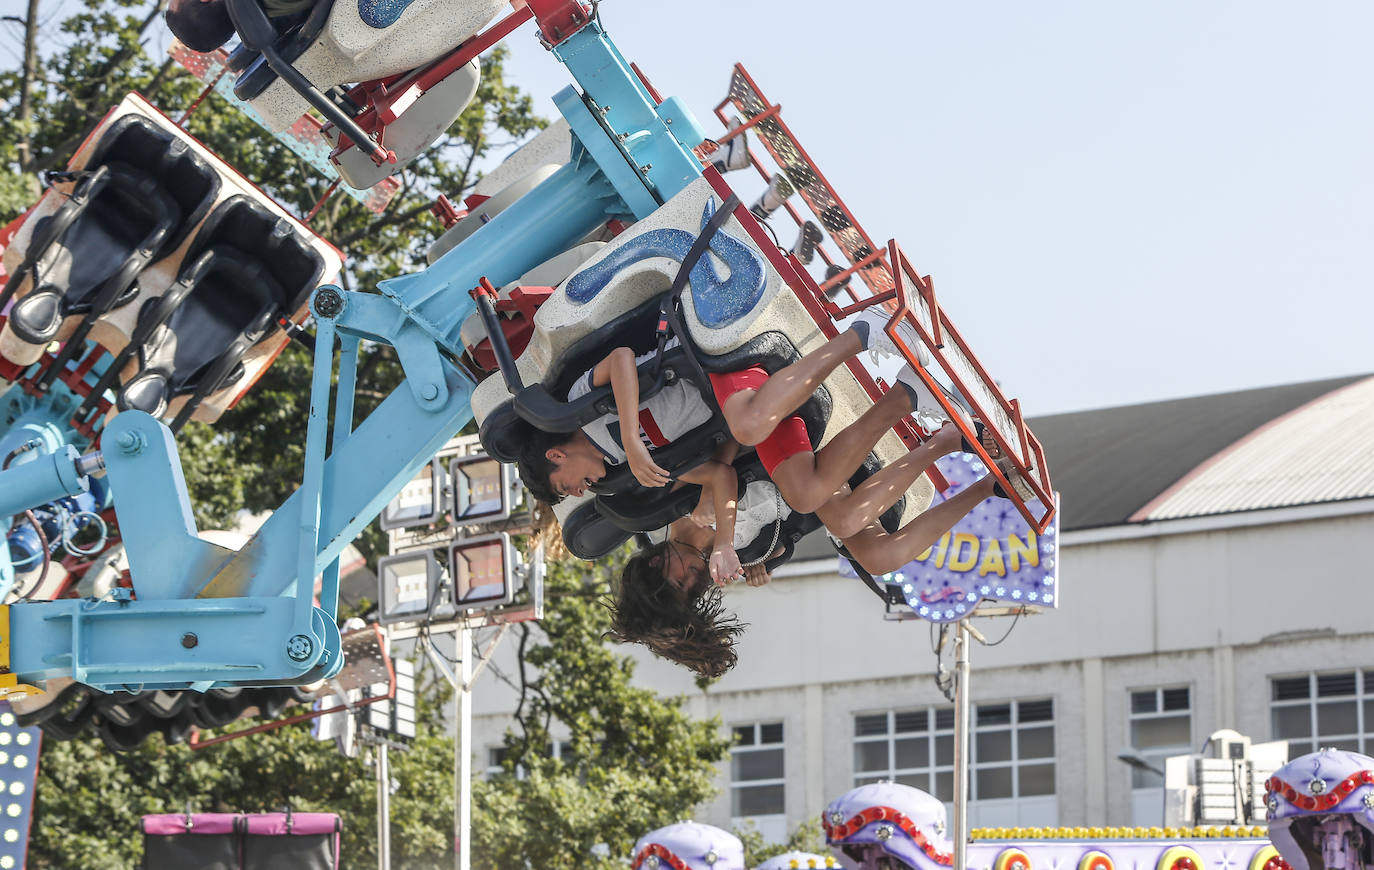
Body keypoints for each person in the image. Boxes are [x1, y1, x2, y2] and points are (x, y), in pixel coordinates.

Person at [516, 309, 959, 548]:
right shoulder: (624, 472)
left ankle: (863, 332)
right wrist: (724, 540)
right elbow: (717, 474)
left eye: (567, 486)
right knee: (804, 493)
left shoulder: (575, 412)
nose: (579, 491)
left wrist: (632, 438)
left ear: (557, 455)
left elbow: (621, 361)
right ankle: (909, 394)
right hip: (741, 417)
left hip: (711, 368)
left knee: (747, 424)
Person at [605, 424, 1009, 677]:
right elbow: (787, 536)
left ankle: (942, 443)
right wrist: (768, 562)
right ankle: (987, 488)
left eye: (682, 580)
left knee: (844, 519)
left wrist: (717, 515)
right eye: (692, 589)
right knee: (879, 559)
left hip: (792, 464)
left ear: (656, 561)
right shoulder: (722, 564)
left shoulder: (675, 509)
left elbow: (722, 449)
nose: (695, 578)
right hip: (818, 500)